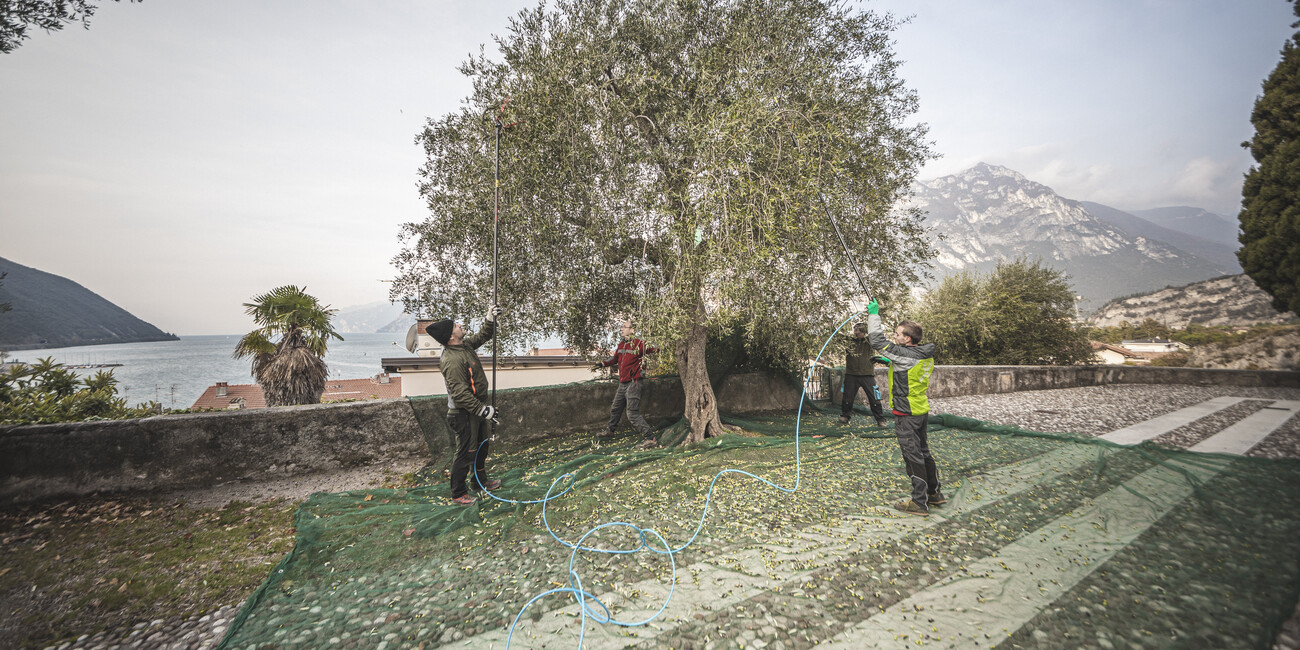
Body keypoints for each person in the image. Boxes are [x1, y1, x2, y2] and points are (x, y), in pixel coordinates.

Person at [864, 299, 944, 516]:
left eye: (898, 335)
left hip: (906, 413)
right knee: (924, 452)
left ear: (907, 339)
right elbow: (909, 368)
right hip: (920, 410)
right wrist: (891, 362)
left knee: (913, 456)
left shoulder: (906, 354)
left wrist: (874, 315)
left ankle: (919, 502)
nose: (895, 337)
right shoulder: (923, 354)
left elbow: (877, 340)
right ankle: (934, 493)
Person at [427, 305, 503, 506]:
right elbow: (460, 394)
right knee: (465, 453)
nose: (460, 325)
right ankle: (459, 493)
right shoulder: (452, 360)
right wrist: (483, 410)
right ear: (451, 337)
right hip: (463, 414)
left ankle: (479, 482)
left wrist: (490, 318)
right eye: (456, 326)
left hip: (475, 411)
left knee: (481, 447)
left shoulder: (464, 346)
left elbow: (483, 336)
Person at [594, 320, 659, 449]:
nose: (621, 329)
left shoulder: (640, 344)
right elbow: (615, 359)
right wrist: (602, 364)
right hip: (622, 383)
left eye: (624, 327)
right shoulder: (622, 345)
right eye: (621, 327)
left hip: (634, 383)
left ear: (632, 330)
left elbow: (656, 348)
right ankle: (610, 431)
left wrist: (660, 344)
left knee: (632, 413)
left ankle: (650, 438)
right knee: (615, 408)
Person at [840, 322, 888, 427]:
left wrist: (866, 329)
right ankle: (845, 416)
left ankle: (880, 420)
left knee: (874, 398)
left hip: (867, 375)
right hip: (851, 374)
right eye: (855, 328)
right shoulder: (849, 342)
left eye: (858, 328)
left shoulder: (869, 341)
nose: (855, 330)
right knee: (847, 398)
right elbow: (837, 338)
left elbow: (876, 338)